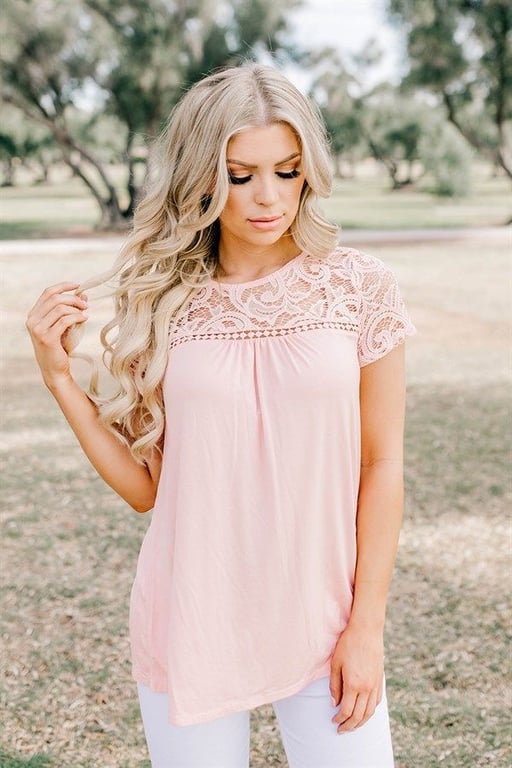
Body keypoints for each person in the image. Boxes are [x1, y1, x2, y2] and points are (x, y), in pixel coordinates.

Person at [26, 63, 416, 767]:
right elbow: (146, 489)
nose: (269, 196)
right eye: (240, 175)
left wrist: (368, 627)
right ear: (201, 177)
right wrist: (61, 380)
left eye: (287, 171)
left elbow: (382, 463)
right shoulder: (164, 301)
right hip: (193, 615)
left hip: (327, 616)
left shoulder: (359, 286)